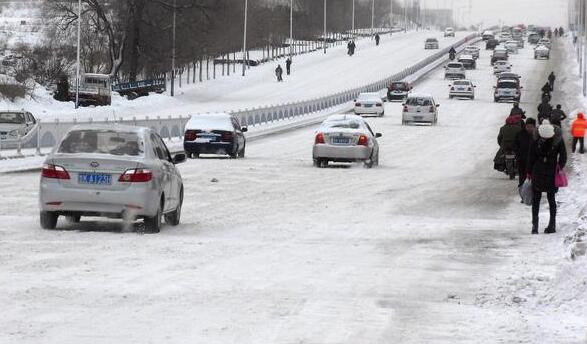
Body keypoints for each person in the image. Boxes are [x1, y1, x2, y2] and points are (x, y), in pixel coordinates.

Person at [528, 120, 567, 234]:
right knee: (551, 199)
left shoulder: (535, 139)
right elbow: (563, 156)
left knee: (536, 199)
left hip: (537, 171)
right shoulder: (558, 140)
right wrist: (559, 167)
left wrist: (529, 172)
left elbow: (531, 157)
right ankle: (552, 225)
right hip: (551, 172)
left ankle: (535, 226)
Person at [514, 118, 537, 188]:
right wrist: (518, 153)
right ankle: (523, 194)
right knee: (522, 177)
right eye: (528, 126)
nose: (529, 128)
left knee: (533, 178)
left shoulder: (537, 135)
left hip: (533, 161)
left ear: (534, 127)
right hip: (522, 160)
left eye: (531, 127)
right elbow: (515, 145)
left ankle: (534, 195)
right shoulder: (520, 134)